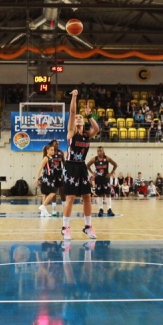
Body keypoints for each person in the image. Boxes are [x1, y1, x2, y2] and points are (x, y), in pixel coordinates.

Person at [60, 90, 100, 241]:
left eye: (80, 117)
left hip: (82, 166)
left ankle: (88, 226)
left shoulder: (87, 135)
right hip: (70, 166)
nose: (77, 118)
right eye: (76, 117)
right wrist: (74, 97)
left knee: (87, 196)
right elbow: (72, 112)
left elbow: (97, 129)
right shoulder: (71, 132)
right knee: (70, 197)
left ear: (83, 122)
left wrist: (89, 115)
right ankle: (65, 228)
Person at [87, 146, 117, 217]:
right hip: (98, 178)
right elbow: (87, 165)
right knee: (99, 194)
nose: (99, 152)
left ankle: (109, 209)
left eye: (100, 151)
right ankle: (100, 209)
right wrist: (92, 173)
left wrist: (111, 173)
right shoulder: (94, 159)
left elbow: (115, 165)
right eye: (98, 151)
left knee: (107, 193)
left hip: (105, 178)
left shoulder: (107, 158)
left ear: (103, 151)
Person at [36, 144, 57, 218]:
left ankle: (43, 212)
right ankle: (43, 206)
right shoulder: (46, 158)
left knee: (46, 194)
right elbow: (40, 168)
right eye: (51, 150)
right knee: (53, 192)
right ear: (47, 150)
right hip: (46, 178)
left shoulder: (51, 158)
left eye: (53, 150)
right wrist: (37, 178)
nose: (53, 151)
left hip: (51, 177)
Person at [49, 139, 65, 217]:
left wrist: (65, 171)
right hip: (52, 173)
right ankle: (54, 209)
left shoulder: (61, 152)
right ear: (52, 145)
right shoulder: (49, 153)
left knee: (62, 190)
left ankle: (64, 207)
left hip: (59, 173)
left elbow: (64, 162)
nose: (57, 145)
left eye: (58, 144)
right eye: (56, 144)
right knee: (53, 191)